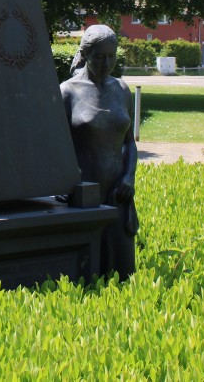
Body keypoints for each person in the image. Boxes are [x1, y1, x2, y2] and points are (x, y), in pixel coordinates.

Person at [60, 24, 138, 279]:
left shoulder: (123, 90)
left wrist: (129, 177)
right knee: (85, 273)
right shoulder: (67, 92)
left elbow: (129, 142)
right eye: (99, 57)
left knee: (122, 272)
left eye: (112, 56)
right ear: (84, 54)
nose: (107, 63)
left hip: (118, 193)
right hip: (83, 194)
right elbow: (59, 147)